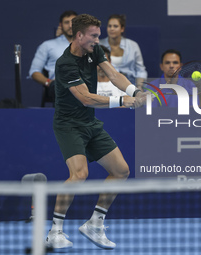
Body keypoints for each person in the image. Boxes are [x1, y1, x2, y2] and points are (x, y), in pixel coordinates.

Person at [46, 14, 147, 251]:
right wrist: (124, 101)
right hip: (69, 125)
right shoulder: (65, 63)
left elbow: (113, 75)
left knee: (121, 170)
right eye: (93, 35)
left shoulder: (96, 51)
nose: (97, 39)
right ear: (79, 35)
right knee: (79, 174)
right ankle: (55, 231)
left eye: (97, 34)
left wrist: (135, 91)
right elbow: (85, 98)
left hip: (90, 124)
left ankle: (95, 223)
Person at [29, 10, 77, 100]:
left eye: (74, 22)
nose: (71, 26)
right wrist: (49, 82)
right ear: (60, 25)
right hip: (59, 86)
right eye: (66, 22)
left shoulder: (89, 45)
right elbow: (34, 71)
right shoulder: (47, 45)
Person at [99, 14, 147, 89]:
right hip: (105, 86)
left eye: (115, 26)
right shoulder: (99, 45)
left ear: (122, 29)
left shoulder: (133, 45)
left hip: (130, 85)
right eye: (109, 26)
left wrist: (139, 87)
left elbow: (140, 71)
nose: (112, 29)